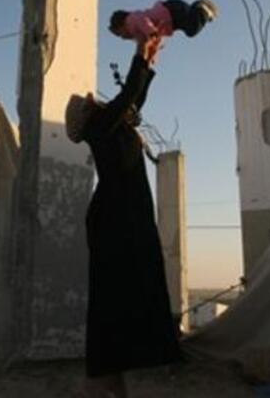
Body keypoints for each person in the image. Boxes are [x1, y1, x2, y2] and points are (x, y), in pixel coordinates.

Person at [65, 37, 181, 398]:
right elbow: (128, 96)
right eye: (90, 103)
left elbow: (133, 99)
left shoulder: (112, 125)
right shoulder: (101, 126)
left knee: (126, 295)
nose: (95, 100)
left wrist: (148, 59)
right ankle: (99, 382)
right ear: (89, 115)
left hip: (125, 216)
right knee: (113, 300)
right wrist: (137, 54)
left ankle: (110, 379)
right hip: (115, 220)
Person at [109, 0, 218, 44]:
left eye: (120, 34)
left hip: (171, 10)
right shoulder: (138, 33)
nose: (122, 38)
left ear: (122, 25)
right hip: (172, 18)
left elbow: (141, 19)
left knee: (192, 29)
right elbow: (154, 38)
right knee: (190, 29)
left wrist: (151, 32)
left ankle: (202, 7)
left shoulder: (131, 20)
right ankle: (200, 9)